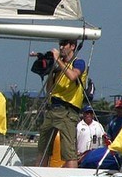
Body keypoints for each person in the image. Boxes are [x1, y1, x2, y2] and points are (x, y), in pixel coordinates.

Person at [34, 39, 86, 168]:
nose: (61, 47)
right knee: (43, 147)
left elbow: (73, 76)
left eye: (64, 45)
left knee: (69, 152)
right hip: (53, 109)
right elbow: (49, 90)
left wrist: (57, 60)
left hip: (68, 110)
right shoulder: (59, 66)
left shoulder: (78, 62)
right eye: (60, 45)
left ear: (72, 46)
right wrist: (51, 68)